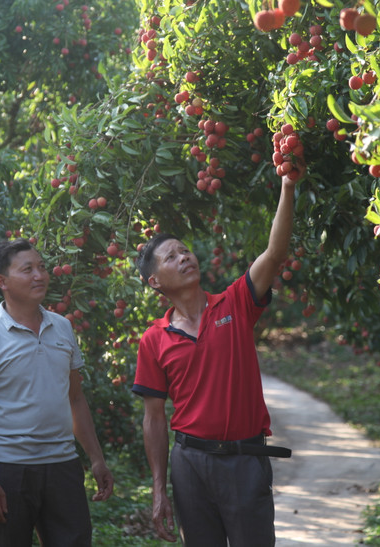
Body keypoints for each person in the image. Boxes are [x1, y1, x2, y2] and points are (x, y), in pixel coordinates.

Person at [132, 173, 298, 546]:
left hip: (244, 458)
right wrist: (159, 489)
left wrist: (287, 186)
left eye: (184, 250)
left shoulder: (235, 302)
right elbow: (154, 418)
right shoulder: (154, 339)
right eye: (171, 257)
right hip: (190, 464)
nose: (184, 257)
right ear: (155, 281)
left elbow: (275, 254)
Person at [0, 238, 114, 547]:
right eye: (27, 269)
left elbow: (75, 398)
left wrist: (96, 458)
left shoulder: (62, 327)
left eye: (41, 267)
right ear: (1, 281)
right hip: (9, 470)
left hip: (63, 465)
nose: (39, 275)